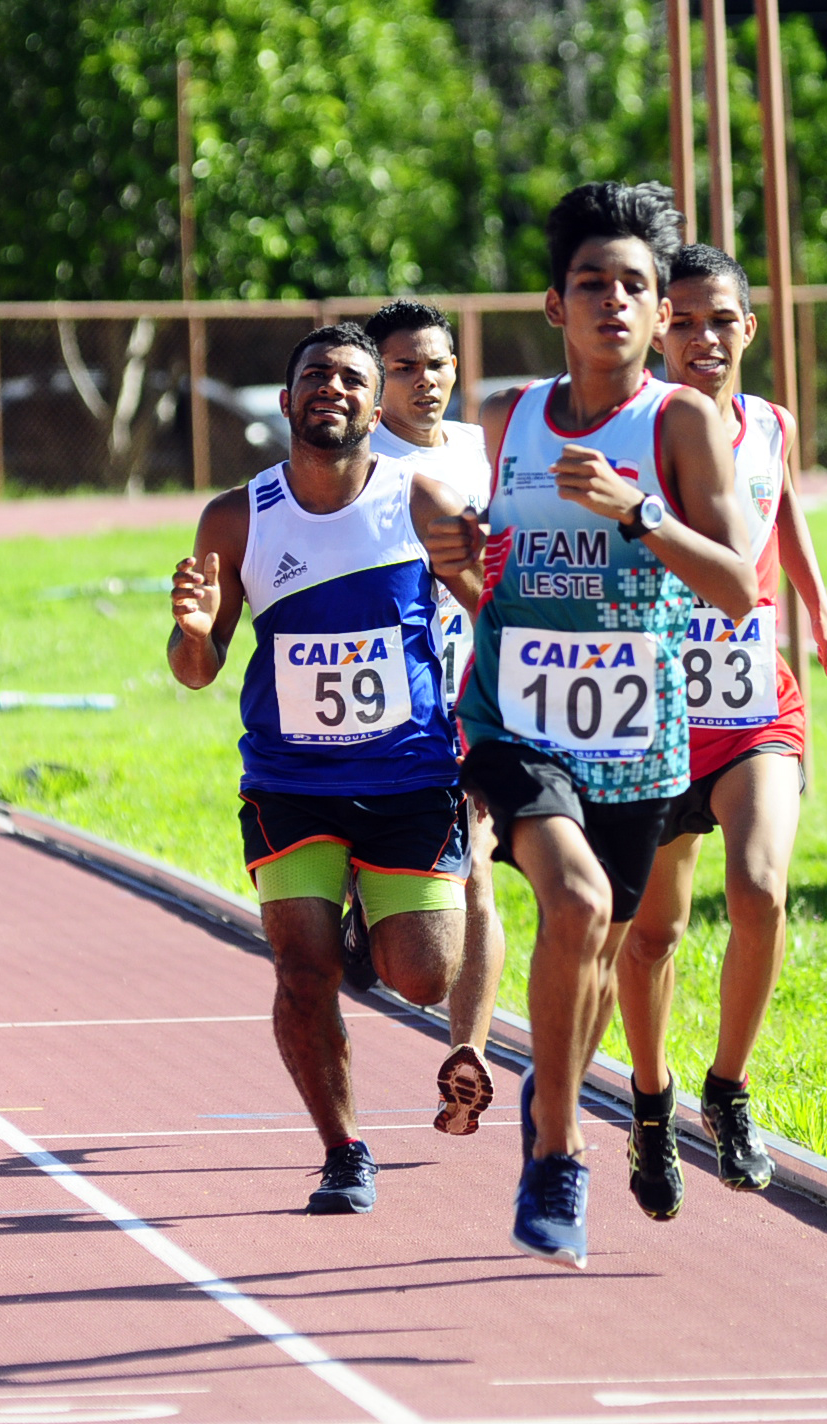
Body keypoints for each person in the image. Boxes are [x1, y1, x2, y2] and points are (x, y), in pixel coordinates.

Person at [430, 182, 756, 1269]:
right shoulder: (508, 417)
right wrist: (462, 566)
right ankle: (559, 1153)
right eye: (589, 284)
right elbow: (502, 579)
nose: (611, 300)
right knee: (568, 901)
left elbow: (736, 590)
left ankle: (553, 1088)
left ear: (661, 310)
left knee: (603, 942)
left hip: (638, 743)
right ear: (553, 305)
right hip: (516, 721)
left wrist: (638, 512)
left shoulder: (681, 423)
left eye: (633, 285)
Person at [168, 323, 489, 1214]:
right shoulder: (237, 517)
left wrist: (496, 730)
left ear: (375, 404)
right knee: (301, 973)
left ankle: (365, 924)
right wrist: (194, 636)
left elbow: (487, 614)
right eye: (314, 376)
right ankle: (343, 1151)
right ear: (285, 401)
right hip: (290, 783)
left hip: (411, 776)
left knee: (422, 976)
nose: (332, 390)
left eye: (352, 378)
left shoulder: (418, 499)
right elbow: (198, 671)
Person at [614, 244, 827, 1219]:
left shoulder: (770, 423)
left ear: (747, 328)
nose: (701, 337)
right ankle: (646, 1097)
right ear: (653, 332)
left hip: (755, 697)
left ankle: (726, 1088)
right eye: (679, 320)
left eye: (719, 319)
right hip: (655, 714)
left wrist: (820, 605)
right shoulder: (635, 431)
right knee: (657, 928)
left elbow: (781, 503)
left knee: (758, 887)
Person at [348, 298, 504, 1136]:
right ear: (376, 383)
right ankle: (363, 909)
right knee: (386, 885)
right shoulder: (356, 465)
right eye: (403, 367)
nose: (425, 380)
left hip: (470, 702)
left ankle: (469, 1055)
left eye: (437, 364)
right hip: (376, 715)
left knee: (478, 870)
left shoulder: (485, 454)